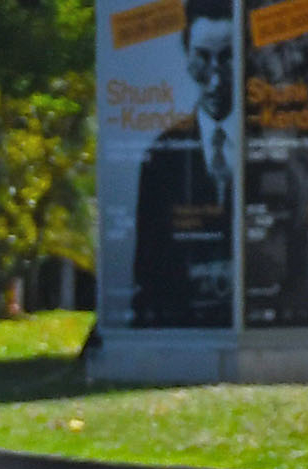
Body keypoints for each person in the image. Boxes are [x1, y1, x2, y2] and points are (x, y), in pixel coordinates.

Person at [131, 0, 236, 328]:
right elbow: (147, 266)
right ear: (187, 58)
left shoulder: (270, 145)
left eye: (228, 58)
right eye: (203, 58)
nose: (216, 80)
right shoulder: (161, 155)